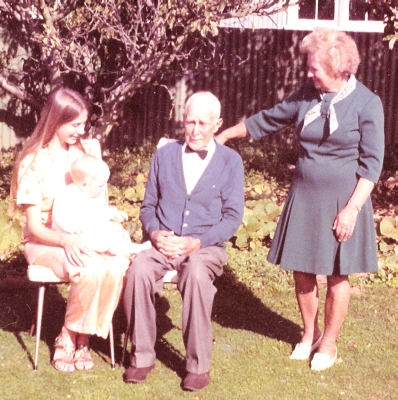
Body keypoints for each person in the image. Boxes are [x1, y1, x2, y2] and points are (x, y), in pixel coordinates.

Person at [216, 28, 384, 371]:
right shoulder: (308, 94)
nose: (308, 74)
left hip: (344, 201)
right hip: (305, 197)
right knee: (303, 272)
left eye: (314, 68)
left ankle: (331, 343)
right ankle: (310, 334)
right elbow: (269, 118)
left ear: (338, 69)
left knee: (338, 275)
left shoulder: (367, 103)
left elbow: (372, 165)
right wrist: (226, 135)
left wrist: (352, 210)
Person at [123, 91, 245, 391]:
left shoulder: (230, 161)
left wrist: (196, 243)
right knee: (138, 270)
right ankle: (142, 356)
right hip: (162, 243)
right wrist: (154, 233)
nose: (196, 130)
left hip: (205, 248)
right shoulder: (164, 155)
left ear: (217, 125)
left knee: (195, 275)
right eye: (190, 122)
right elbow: (148, 207)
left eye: (203, 123)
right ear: (182, 122)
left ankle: (197, 364)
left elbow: (232, 218)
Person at [10, 88, 129, 372]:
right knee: (86, 268)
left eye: (83, 123)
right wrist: (66, 241)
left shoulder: (85, 155)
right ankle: (68, 335)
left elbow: (96, 204)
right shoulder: (33, 162)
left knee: (115, 267)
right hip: (46, 241)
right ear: (56, 121)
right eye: (75, 124)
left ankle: (82, 336)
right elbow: (35, 227)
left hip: (83, 235)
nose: (81, 130)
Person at [52, 154, 151, 282]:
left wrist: (113, 214)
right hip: (71, 233)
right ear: (84, 184)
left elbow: (100, 211)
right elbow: (60, 216)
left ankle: (128, 247)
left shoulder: (91, 194)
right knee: (95, 238)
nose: (104, 188)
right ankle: (115, 248)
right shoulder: (67, 195)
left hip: (89, 230)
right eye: (100, 186)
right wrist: (73, 227)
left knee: (109, 230)